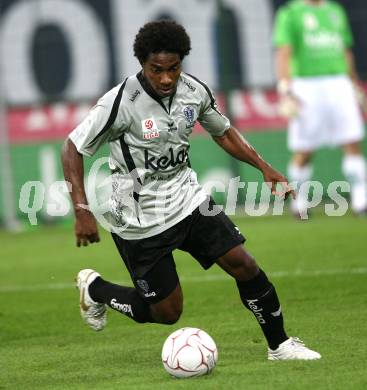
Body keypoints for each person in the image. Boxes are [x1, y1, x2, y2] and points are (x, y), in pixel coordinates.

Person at [62, 20, 320, 360]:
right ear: (142, 64)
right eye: (157, 70)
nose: (167, 78)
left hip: (188, 199)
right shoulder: (121, 102)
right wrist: (82, 210)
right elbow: (73, 147)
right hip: (139, 219)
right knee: (167, 313)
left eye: (174, 68)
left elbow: (223, 132)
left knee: (244, 264)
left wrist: (263, 167)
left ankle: (280, 345)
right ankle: (96, 289)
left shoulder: (193, 91)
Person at [273, 0, 367, 218]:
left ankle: (361, 199)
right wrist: (285, 88)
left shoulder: (335, 11)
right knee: (305, 148)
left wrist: (354, 84)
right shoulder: (290, 13)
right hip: (306, 85)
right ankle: (300, 203)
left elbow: (345, 50)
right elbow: (284, 52)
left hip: (339, 82)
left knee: (352, 140)